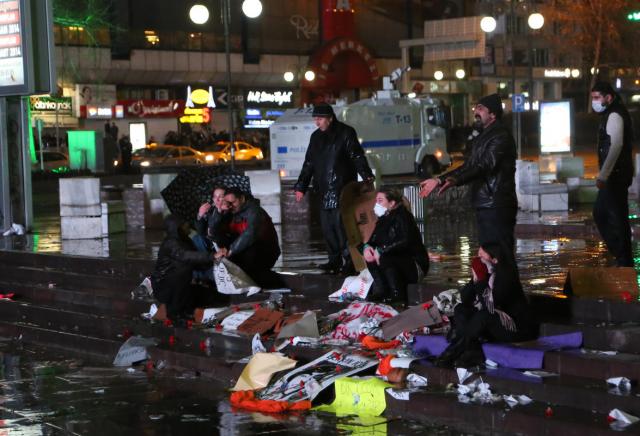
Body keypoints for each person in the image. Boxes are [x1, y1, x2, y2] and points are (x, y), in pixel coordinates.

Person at [419, 94, 518, 255]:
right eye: (475, 108)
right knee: (489, 253)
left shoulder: (500, 136)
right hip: (486, 202)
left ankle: (500, 280)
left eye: (481, 109)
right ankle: (487, 280)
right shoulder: (485, 135)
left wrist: (455, 180)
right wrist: (439, 179)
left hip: (496, 204)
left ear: (493, 114)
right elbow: (470, 165)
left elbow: (484, 165)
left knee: (498, 254)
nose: (476, 112)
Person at [294, 102, 374, 275]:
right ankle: (334, 259)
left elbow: (356, 155)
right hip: (323, 190)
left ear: (330, 119)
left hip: (342, 188)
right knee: (328, 227)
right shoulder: (315, 137)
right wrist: (301, 186)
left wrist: (366, 175)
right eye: (315, 118)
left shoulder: (346, 133)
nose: (317, 122)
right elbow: (309, 163)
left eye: (320, 119)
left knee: (343, 227)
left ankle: (349, 260)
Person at [434, 243, 538, 368]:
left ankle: (451, 353)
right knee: (461, 309)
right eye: (478, 256)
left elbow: (490, 307)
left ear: (494, 260)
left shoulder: (506, 277)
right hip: (492, 326)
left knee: (484, 315)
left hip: (515, 329)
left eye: (482, 258)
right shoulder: (484, 273)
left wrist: (481, 279)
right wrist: (475, 279)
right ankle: (473, 351)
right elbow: (465, 299)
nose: (479, 260)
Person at [361, 186, 429, 308]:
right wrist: (366, 247)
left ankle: (398, 295)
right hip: (397, 263)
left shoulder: (404, 216)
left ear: (392, 203)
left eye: (380, 200)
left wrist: (382, 250)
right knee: (370, 255)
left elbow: (404, 241)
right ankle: (382, 290)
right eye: (376, 201)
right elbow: (372, 240)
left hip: (414, 265)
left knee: (385, 256)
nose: (376, 204)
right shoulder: (383, 219)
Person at [591, 81, 634, 267]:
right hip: (617, 174)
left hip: (615, 175)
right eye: (593, 98)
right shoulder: (612, 112)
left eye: (597, 97)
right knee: (614, 215)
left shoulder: (614, 114)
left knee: (606, 215)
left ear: (608, 97)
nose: (594, 101)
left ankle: (623, 258)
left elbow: (615, 146)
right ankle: (623, 257)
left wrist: (603, 175)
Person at [213, 187, 283, 288]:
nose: (230, 206)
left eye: (233, 202)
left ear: (242, 199)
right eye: (228, 203)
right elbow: (213, 233)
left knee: (250, 251)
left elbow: (250, 233)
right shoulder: (229, 211)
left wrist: (231, 251)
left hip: (263, 252)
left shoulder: (255, 211)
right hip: (242, 251)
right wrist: (219, 212)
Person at [150, 215, 216, 321]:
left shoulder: (186, 241)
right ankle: (174, 313)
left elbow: (197, 263)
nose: (188, 225)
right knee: (181, 272)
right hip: (164, 287)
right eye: (184, 224)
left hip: (179, 286)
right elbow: (186, 256)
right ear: (178, 228)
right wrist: (212, 256)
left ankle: (184, 310)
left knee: (207, 295)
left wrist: (214, 264)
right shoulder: (171, 243)